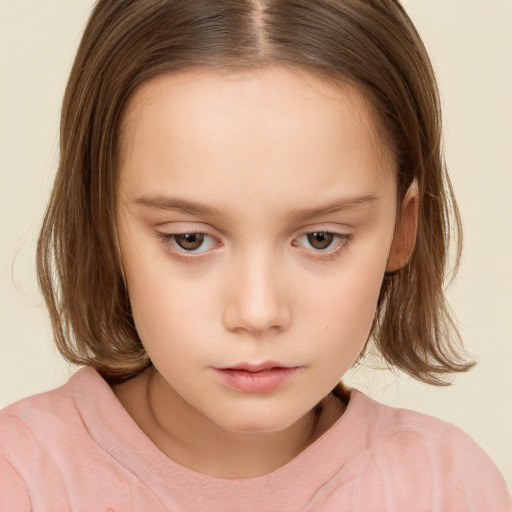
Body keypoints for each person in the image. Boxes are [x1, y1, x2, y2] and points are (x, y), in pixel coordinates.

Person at [1, 0, 510, 510]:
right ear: (103, 224)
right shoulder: (20, 477)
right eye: (189, 239)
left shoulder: (448, 488)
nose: (257, 312)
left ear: (403, 229)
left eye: (321, 239)